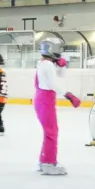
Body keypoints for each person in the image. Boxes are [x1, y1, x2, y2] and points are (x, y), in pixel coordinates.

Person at [34, 40, 82, 176]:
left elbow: (59, 76)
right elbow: (54, 83)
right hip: (45, 99)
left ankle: (44, 160)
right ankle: (48, 163)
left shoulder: (44, 63)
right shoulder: (48, 65)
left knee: (50, 131)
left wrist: (62, 66)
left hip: (43, 98)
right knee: (51, 132)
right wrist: (69, 95)